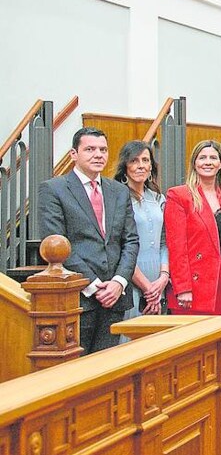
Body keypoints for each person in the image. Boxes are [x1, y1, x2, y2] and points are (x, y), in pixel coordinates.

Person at [37, 127, 139, 354]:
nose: (98, 155)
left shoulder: (119, 191)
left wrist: (119, 281)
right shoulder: (54, 189)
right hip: (78, 298)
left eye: (103, 149)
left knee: (107, 370)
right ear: (74, 154)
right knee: (78, 371)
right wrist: (93, 285)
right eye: (90, 149)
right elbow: (56, 243)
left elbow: (130, 241)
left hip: (115, 296)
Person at [165, 139, 221, 315]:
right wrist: (183, 287)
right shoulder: (179, 195)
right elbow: (176, 247)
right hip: (193, 284)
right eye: (202, 158)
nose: (208, 162)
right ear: (194, 163)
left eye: (213, 158)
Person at [113, 140, 169, 320]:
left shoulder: (159, 198)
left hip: (158, 278)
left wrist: (163, 277)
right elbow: (120, 245)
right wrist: (147, 288)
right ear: (125, 166)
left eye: (145, 160)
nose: (141, 166)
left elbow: (164, 241)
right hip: (131, 276)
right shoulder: (117, 197)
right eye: (134, 161)